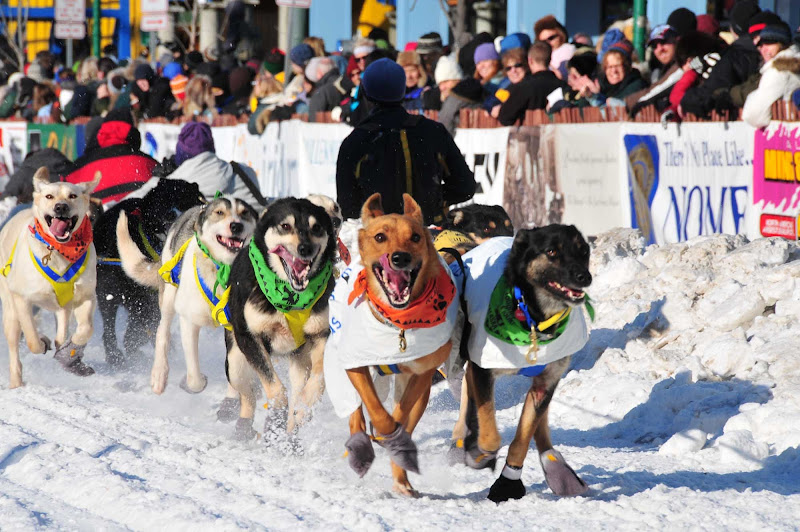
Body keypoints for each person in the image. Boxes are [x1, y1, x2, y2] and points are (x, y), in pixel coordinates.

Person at [336, 58, 475, 225]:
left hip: (380, 239)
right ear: (403, 91)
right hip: (428, 236)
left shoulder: (355, 142)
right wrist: (433, 201)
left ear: (365, 92)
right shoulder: (433, 131)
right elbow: (465, 187)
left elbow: (348, 208)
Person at [679, 0, 762, 118]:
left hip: (737, 125)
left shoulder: (732, 56)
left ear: (734, 29)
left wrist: (686, 99)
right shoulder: (769, 53)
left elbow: (711, 90)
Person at [63, 108, 157, 204]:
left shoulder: (76, 169)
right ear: (133, 131)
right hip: (138, 214)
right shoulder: (148, 162)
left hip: (96, 216)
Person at [496, 42, 567, 126]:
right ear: (550, 59)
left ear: (530, 60)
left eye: (518, 65)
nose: (513, 70)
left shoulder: (524, 87)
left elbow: (505, 118)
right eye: (508, 68)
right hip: (559, 134)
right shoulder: (562, 84)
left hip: (531, 135)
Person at [743, 23, 799, 128]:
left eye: (770, 43)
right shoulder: (793, 65)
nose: (764, 49)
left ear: (782, 44)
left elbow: (755, 115)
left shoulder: (777, 71)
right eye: (761, 45)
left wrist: (752, 96)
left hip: (786, 135)